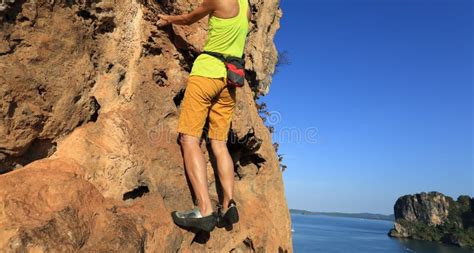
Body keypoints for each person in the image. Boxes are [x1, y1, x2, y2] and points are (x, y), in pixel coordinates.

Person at [157, 0, 251, 232]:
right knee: (219, 143)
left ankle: (205, 210)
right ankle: (228, 203)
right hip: (231, 80)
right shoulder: (246, 7)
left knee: (189, 138)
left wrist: (168, 19)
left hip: (207, 73)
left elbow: (189, 19)